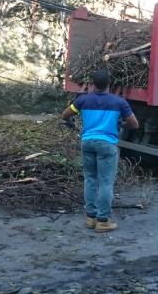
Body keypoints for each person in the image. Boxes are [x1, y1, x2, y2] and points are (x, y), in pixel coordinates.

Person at [61, 69, 139, 233]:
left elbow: (65, 115)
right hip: (107, 145)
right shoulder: (119, 102)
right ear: (109, 83)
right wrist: (121, 124)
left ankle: (91, 217)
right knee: (105, 182)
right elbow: (134, 124)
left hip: (87, 143)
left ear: (92, 84)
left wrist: (73, 124)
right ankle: (103, 221)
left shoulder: (83, 100)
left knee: (90, 180)